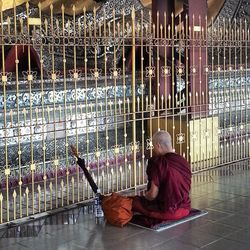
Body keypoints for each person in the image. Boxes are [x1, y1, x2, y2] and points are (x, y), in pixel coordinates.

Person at [132, 130, 191, 220]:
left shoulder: (158, 163)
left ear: (158, 146)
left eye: (154, 147)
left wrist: (145, 197)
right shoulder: (183, 161)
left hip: (168, 212)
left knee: (132, 202)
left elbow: (152, 195)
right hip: (185, 208)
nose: (154, 150)